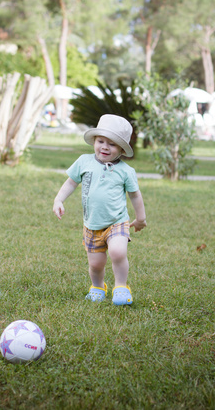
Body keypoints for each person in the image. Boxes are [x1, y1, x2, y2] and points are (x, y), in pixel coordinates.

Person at [53, 114, 147, 306]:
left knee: (118, 252)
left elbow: (135, 195)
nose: (104, 147)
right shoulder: (83, 162)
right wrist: (58, 199)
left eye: (111, 144)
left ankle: (121, 287)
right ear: (94, 141)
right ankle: (98, 286)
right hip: (92, 225)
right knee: (96, 264)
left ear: (121, 149)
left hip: (117, 222)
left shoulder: (126, 171)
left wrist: (140, 218)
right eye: (101, 141)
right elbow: (71, 183)